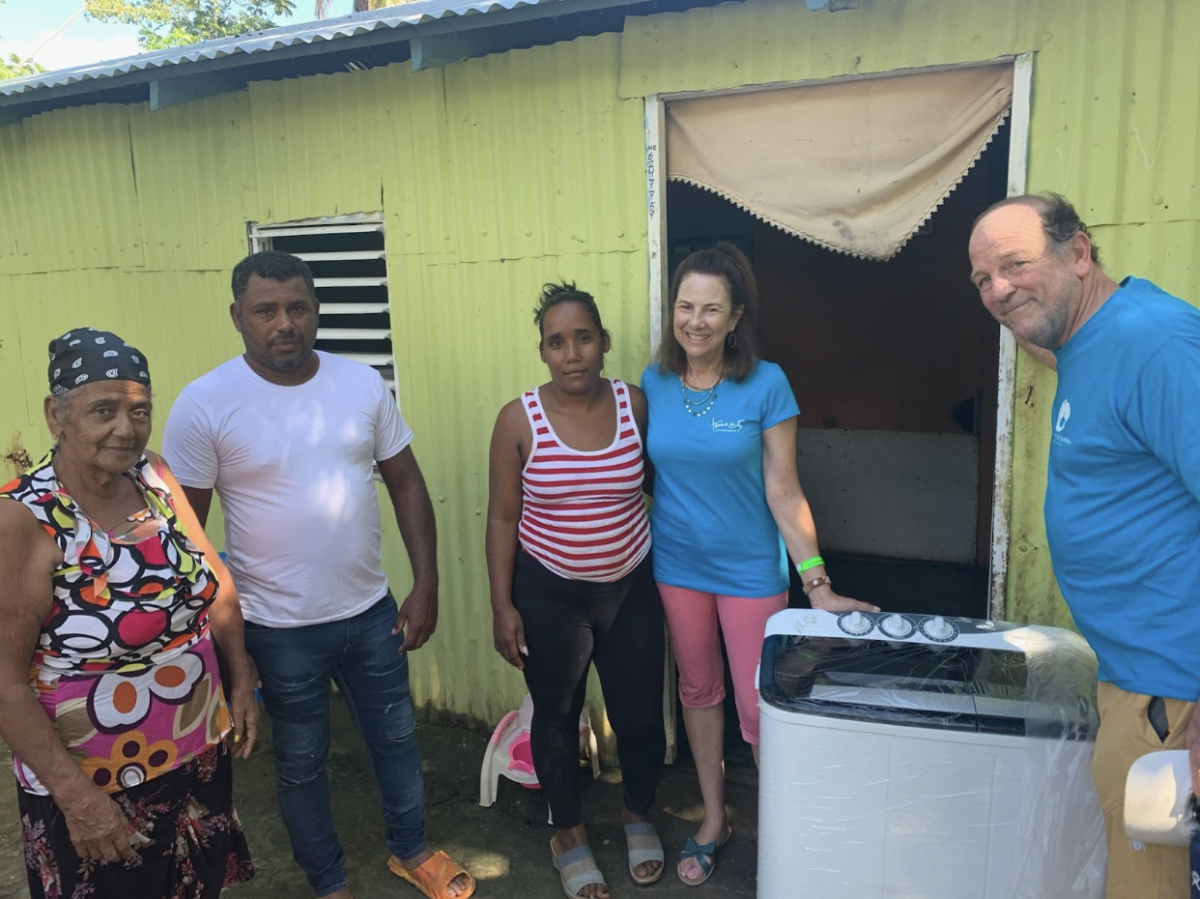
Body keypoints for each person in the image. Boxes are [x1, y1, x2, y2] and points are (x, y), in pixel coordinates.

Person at [161, 251, 474, 899]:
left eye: (297, 307)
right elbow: (185, 538)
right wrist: (228, 644)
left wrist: (426, 582)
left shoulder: (360, 383)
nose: (284, 322)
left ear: (316, 310)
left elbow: (407, 483)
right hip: (278, 629)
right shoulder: (204, 403)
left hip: (369, 613)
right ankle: (329, 882)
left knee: (396, 739)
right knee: (302, 764)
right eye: (266, 309)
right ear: (236, 316)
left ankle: (412, 849)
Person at [968, 193, 1200, 899]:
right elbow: (1042, 332)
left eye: (1015, 265)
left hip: (1176, 697)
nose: (998, 289)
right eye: (982, 280)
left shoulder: (1154, 344)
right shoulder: (1088, 338)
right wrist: (1020, 309)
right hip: (1141, 680)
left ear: (1078, 252)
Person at [641, 242, 877, 886]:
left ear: (736, 316)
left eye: (711, 309)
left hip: (749, 572)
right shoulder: (654, 382)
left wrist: (817, 585)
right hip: (677, 568)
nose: (695, 321)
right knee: (698, 691)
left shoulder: (767, 383)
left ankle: (788, 825)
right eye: (685, 306)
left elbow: (784, 489)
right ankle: (715, 819)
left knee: (757, 706)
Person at [0, 328, 257, 899]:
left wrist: (241, 674)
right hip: (97, 783)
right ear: (55, 415)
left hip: (197, 754)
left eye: (140, 410)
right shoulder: (23, 518)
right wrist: (79, 800)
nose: (126, 427)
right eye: (103, 410)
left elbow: (214, 584)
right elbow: (5, 682)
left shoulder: (155, 477)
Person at [486, 283, 666, 899]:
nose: (572, 354)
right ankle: (567, 831)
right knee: (557, 717)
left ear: (603, 342)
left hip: (631, 584)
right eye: (557, 342)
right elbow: (503, 517)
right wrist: (502, 604)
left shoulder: (636, 405)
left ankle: (638, 811)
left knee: (641, 714)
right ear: (542, 352)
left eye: (583, 338)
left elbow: (659, 483)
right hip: (550, 592)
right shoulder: (518, 420)